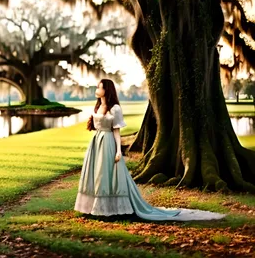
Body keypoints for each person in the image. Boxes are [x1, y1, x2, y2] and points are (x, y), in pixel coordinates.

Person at [74, 79, 225, 222]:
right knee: (95, 173)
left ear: (107, 90)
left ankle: (109, 209)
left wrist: (118, 150)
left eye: (100, 87)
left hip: (108, 143)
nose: (97, 89)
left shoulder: (115, 108)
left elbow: (116, 131)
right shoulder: (97, 106)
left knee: (105, 174)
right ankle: (93, 207)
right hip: (96, 143)